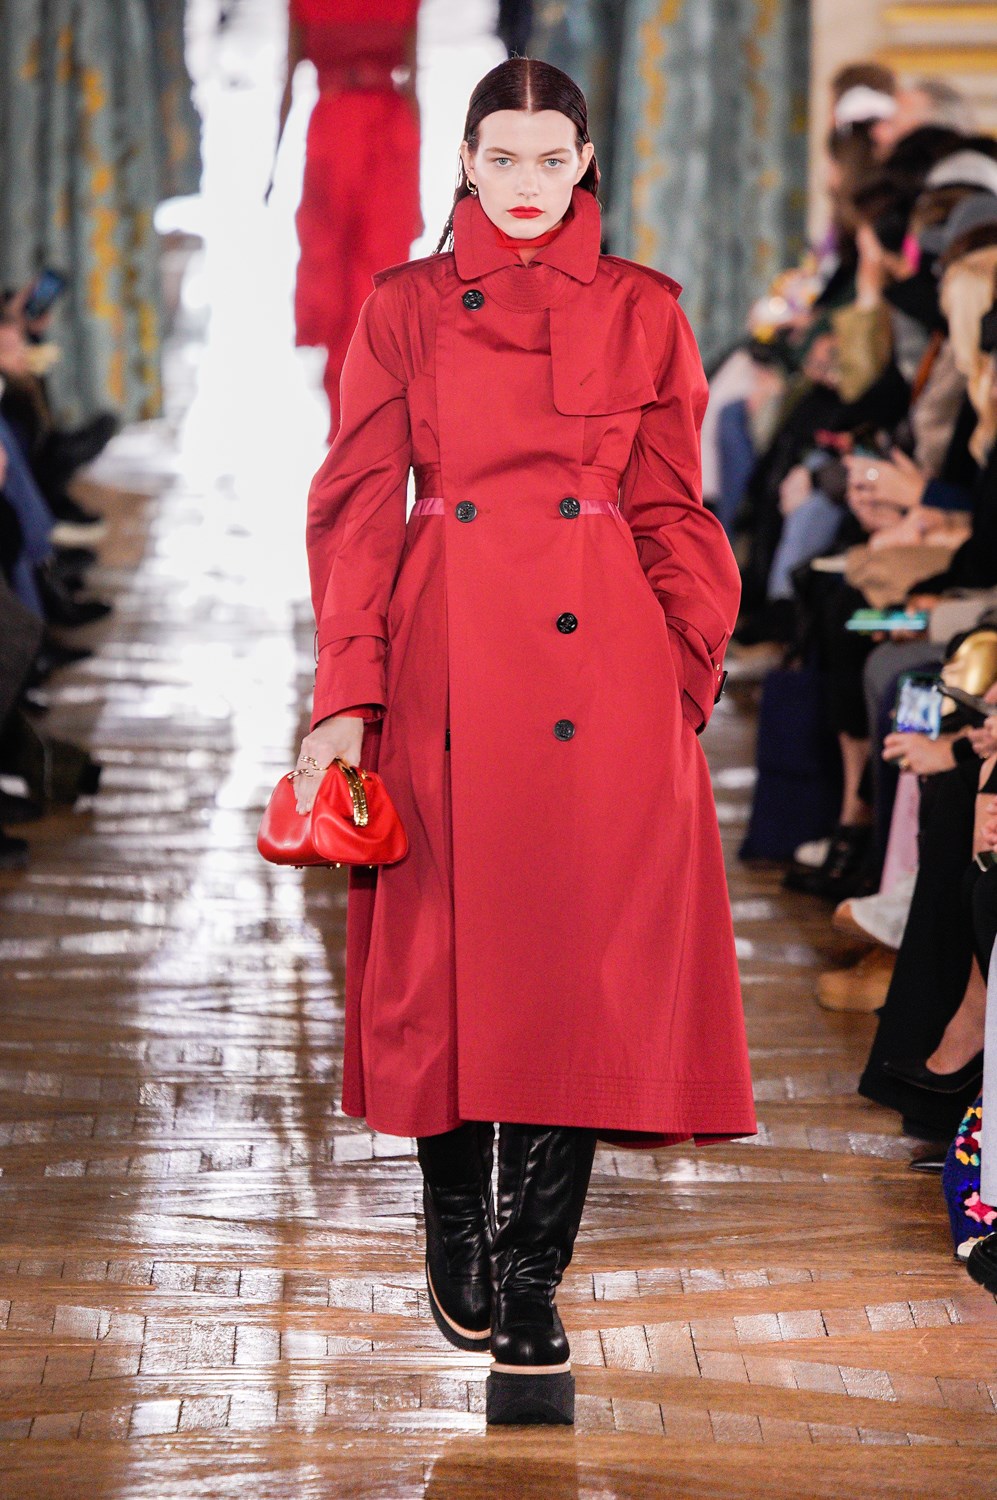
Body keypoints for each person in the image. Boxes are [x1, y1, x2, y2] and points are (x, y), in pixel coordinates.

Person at [290, 57, 755, 1427]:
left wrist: (682, 668)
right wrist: (345, 693)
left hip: (605, 672)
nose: (529, 184)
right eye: (504, 158)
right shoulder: (404, 306)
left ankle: (534, 1279)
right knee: (441, 949)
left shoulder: (647, 307)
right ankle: (455, 1211)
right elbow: (357, 508)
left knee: (574, 970)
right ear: (466, 163)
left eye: (554, 159)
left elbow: (673, 505)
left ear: (586, 162)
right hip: (445, 649)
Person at [271, 0, 422, 441]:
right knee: (373, 271)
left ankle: (347, 411)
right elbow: (413, 82)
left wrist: (273, 160)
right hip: (386, 128)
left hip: (334, 127)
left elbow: (288, 79)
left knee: (336, 270)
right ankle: (364, 409)